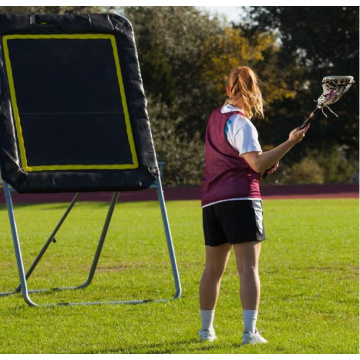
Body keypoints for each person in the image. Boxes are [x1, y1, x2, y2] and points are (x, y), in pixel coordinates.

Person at [199, 66, 310, 345]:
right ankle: (249, 333)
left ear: (228, 90)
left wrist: (261, 164)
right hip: (240, 199)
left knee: (212, 270)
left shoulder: (215, 118)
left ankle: (205, 332)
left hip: (211, 202)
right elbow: (257, 162)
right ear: (254, 91)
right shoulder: (242, 123)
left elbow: (241, 160)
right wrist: (290, 142)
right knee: (248, 269)